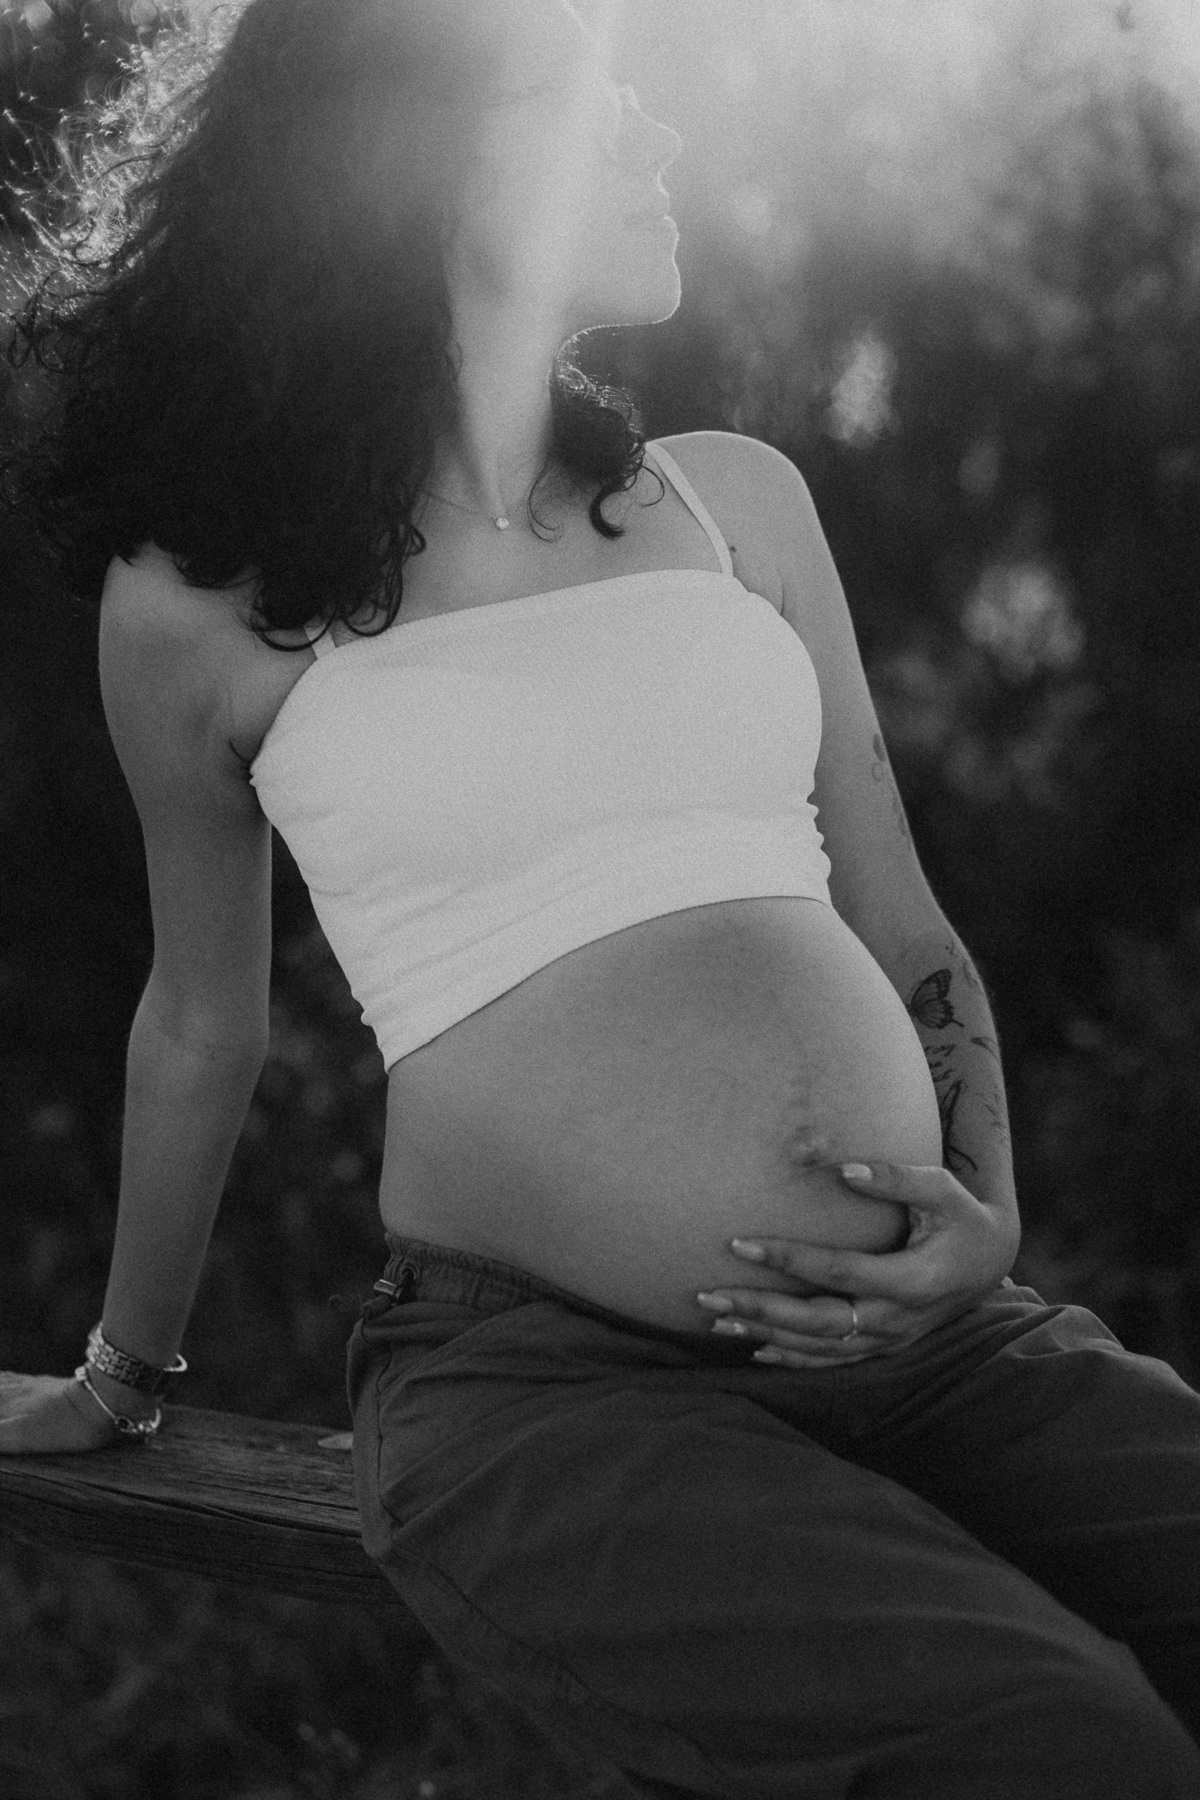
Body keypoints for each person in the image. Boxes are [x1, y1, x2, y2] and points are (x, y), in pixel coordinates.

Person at [1, 2, 1197, 1794]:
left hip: (935, 1339)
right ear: (408, 161)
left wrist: (991, 1215)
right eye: (586, 97)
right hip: (544, 1396)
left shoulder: (735, 503)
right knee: (1072, 1750)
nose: (657, 134)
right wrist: (121, 1373)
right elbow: (200, 1018)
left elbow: (908, 929)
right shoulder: (203, 606)